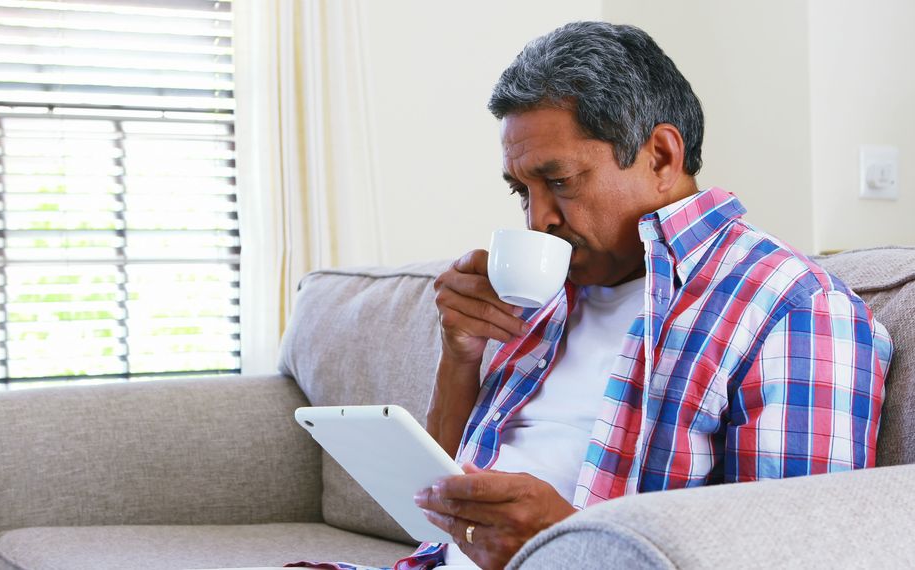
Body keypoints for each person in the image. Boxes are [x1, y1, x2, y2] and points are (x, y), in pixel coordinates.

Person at [292, 20, 892, 570]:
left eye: (559, 181)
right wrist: (461, 358)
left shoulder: (792, 309)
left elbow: (789, 557)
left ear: (661, 155)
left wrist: (568, 539)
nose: (538, 220)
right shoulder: (545, 299)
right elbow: (435, 514)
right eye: (521, 191)